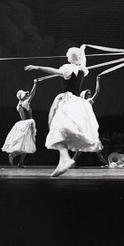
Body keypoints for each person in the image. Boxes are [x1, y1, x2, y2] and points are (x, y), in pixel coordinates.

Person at [24, 45, 101, 177]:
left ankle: (65, 159)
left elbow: (54, 71)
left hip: (68, 100)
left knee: (57, 129)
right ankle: (63, 161)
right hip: (77, 103)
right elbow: (83, 62)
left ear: (70, 57)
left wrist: (37, 67)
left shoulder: (68, 68)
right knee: (61, 131)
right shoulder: (82, 69)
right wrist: (83, 50)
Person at [72, 76, 109, 167]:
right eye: (88, 94)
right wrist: (97, 81)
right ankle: (103, 162)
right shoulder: (86, 102)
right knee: (91, 144)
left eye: (90, 94)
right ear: (85, 96)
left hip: (86, 126)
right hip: (86, 126)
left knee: (92, 144)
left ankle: (103, 161)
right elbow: (97, 92)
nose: (90, 95)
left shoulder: (82, 103)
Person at [1, 79, 38, 168]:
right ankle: (13, 155)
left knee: (26, 144)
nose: (27, 96)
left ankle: (20, 162)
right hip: (27, 124)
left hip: (23, 124)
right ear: (21, 97)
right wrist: (35, 84)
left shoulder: (19, 104)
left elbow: (30, 95)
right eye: (25, 95)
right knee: (26, 143)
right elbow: (32, 94)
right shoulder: (25, 103)